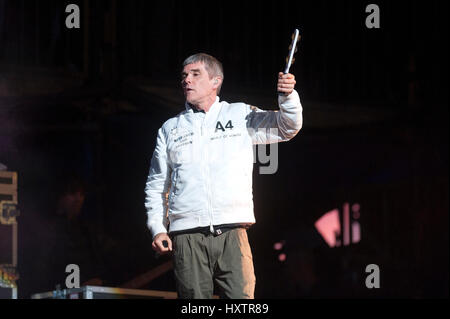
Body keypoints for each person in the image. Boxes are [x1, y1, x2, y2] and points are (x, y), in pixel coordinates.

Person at [145, 53, 303, 299]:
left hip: (233, 232)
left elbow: (286, 126)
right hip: (186, 236)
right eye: (184, 75)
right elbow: (156, 185)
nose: (187, 80)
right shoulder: (170, 128)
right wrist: (157, 228)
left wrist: (287, 96)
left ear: (215, 81)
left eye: (195, 74)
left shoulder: (239, 115)